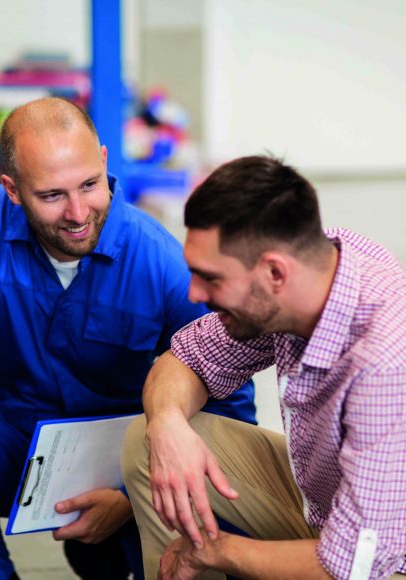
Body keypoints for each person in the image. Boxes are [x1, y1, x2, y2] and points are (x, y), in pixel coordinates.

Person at [0, 97, 256, 579]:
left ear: (104, 161)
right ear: (12, 190)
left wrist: (129, 498)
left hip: (127, 452)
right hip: (14, 429)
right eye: (52, 195)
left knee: (210, 509)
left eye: (89, 184)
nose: (79, 212)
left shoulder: (161, 261)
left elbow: (226, 408)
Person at [121, 155, 406, 579]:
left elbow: (356, 565)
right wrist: (166, 424)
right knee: (150, 441)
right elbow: (186, 357)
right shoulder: (321, 262)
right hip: (326, 506)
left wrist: (218, 552)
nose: (195, 293)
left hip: (382, 561)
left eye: (211, 278)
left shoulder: (383, 361)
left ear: (275, 272)